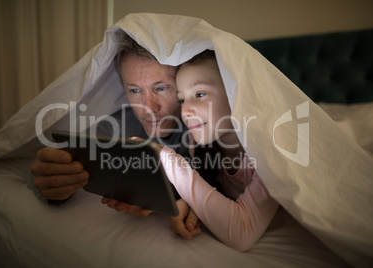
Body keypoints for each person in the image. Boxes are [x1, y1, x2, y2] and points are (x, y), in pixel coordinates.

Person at [30, 33, 201, 239]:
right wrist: (55, 186)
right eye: (135, 90)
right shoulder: (115, 128)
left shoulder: (210, 127)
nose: (148, 108)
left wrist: (198, 201)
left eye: (161, 88)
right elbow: (56, 165)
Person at [157, 50, 279, 251]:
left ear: (236, 94)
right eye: (181, 99)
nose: (185, 111)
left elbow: (242, 234)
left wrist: (166, 157)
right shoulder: (197, 145)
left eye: (200, 94)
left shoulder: (270, 150)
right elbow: (212, 192)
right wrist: (192, 205)